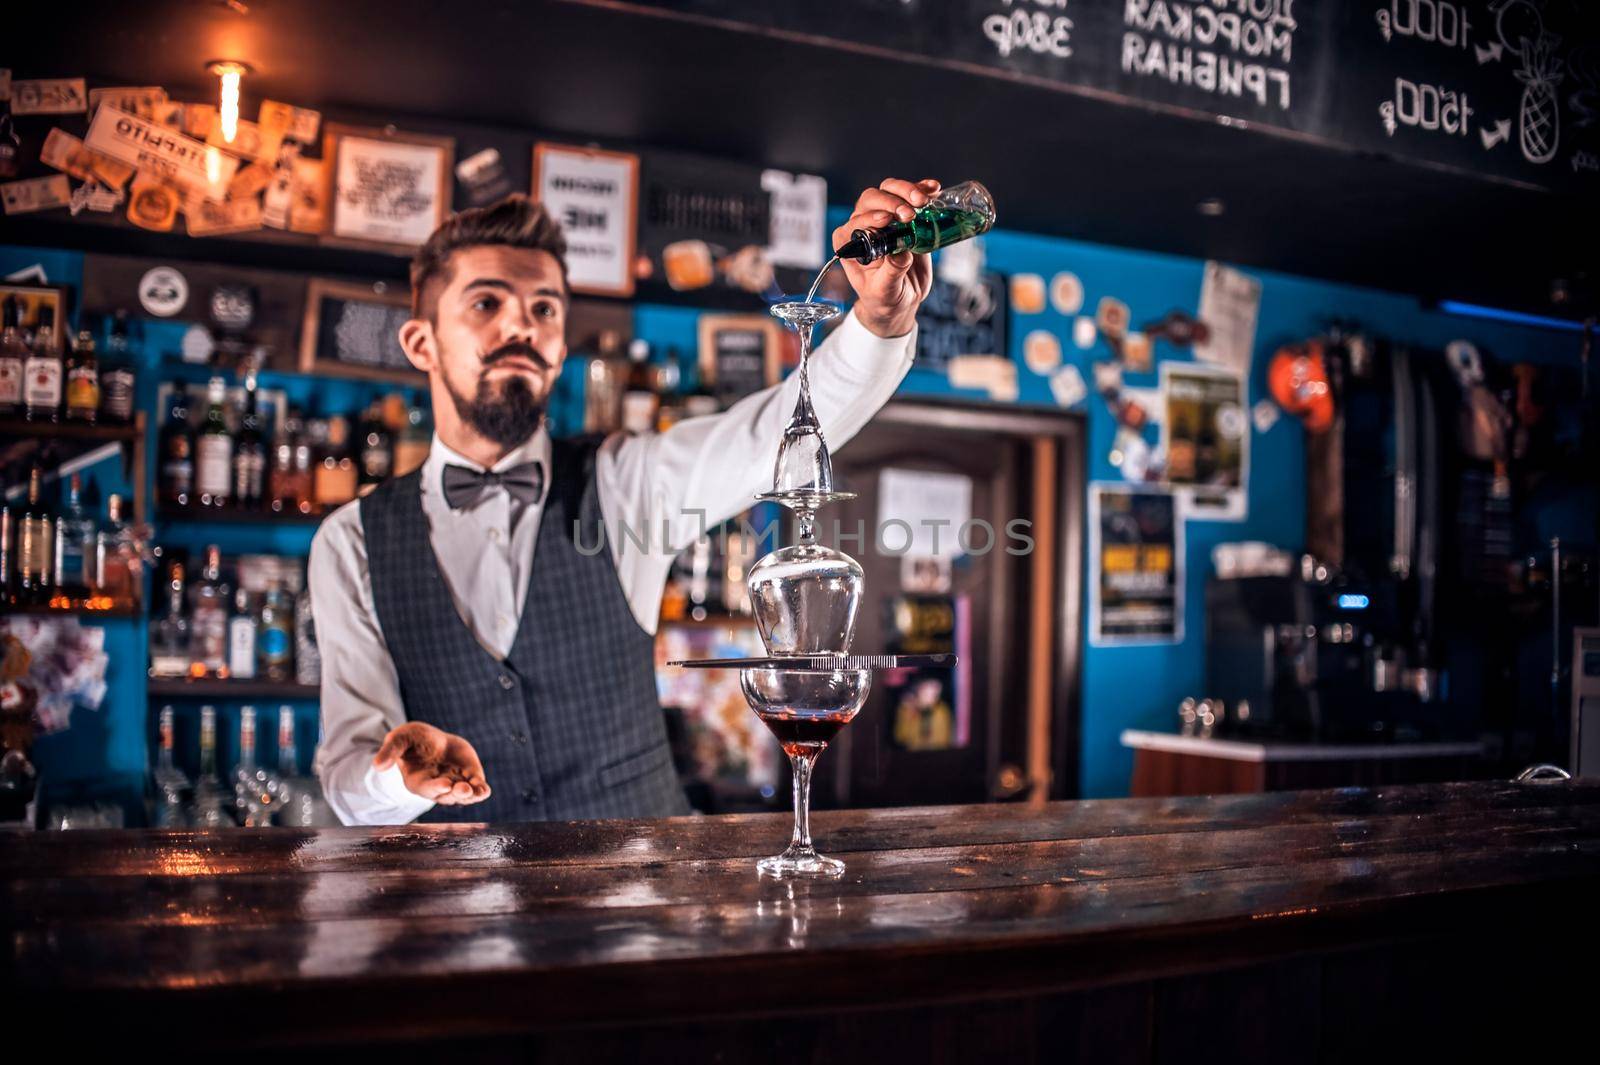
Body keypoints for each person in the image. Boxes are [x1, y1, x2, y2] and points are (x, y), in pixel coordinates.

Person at [308, 179, 939, 824]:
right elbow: (349, 780)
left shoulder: (625, 480)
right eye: (486, 303)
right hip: (455, 912)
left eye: (545, 308)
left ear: (558, 349)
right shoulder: (351, 541)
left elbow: (774, 432)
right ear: (421, 344)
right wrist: (398, 779)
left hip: (637, 902)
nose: (521, 323)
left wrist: (879, 322)